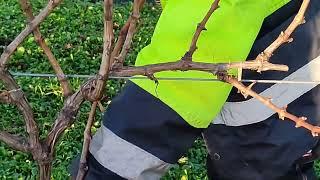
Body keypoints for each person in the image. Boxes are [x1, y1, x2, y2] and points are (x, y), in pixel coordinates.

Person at [71, 0, 320, 179]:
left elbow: (174, 92)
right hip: (296, 28)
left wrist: (102, 173)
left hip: (279, 44)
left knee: (261, 162)